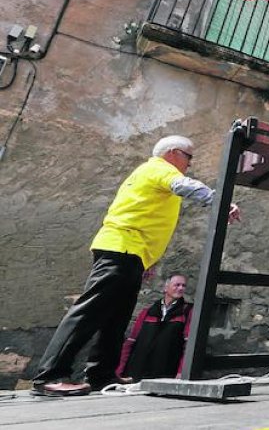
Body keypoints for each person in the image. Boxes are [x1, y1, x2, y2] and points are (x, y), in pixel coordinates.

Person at [31, 136, 239, 397]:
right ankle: (48, 376)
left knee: (115, 319)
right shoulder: (158, 168)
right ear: (173, 153)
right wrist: (219, 201)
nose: (189, 164)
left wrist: (146, 261)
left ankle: (101, 374)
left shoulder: (150, 173)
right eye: (189, 157)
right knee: (88, 313)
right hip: (122, 248)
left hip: (131, 252)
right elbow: (186, 186)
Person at [117, 273, 192, 381]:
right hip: (136, 374)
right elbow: (130, 342)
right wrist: (119, 372)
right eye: (177, 285)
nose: (180, 288)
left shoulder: (187, 312)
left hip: (165, 374)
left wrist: (181, 372)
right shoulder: (147, 312)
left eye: (183, 286)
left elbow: (188, 346)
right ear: (166, 287)